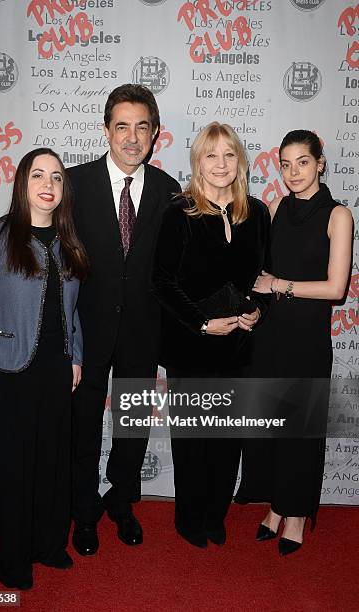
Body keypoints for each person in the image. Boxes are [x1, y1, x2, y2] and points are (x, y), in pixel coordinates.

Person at [0, 84, 181, 553]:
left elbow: (182, 266)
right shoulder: (73, 183)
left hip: (143, 333)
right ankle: (84, 509)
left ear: (154, 134)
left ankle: (122, 502)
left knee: (132, 426)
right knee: (83, 425)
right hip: (82, 332)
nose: (132, 137)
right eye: (122, 126)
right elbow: (24, 233)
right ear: (106, 130)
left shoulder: (170, 191)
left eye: (142, 127)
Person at [0, 148, 88, 589]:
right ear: (22, 184)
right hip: (8, 371)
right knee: (14, 470)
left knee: (53, 466)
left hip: (55, 370)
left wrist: (76, 357)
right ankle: (12, 559)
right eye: (37, 175)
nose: (48, 184)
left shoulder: (70, 242)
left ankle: (49, 547)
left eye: (56, 176)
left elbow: (72, 311)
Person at [151, 122, 270, 548]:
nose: (220, 164)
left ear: (239, 161)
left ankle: (215, 516)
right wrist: (203, 322)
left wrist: (258, 311)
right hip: (190, 346)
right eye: (210, 155)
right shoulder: (178, 212)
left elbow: (262, 278)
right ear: (197, 162)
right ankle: (189, 520)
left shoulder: (256, 213)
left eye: (228, 154)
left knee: (226, 441)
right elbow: (161, 281)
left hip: (238, 347)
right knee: (193, 442)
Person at [236, 130, 353, 555]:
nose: (293, 172)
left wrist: (279, 285)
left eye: (302, 162)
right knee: (270, 429)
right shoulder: (274, 207)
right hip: (269, 337)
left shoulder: (338, 216)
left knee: (300, 432)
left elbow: (335, 288)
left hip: (305, 339)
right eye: (285, 164)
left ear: (320, 163)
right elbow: (257, 274)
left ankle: (298, 514)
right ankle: (274, 506)